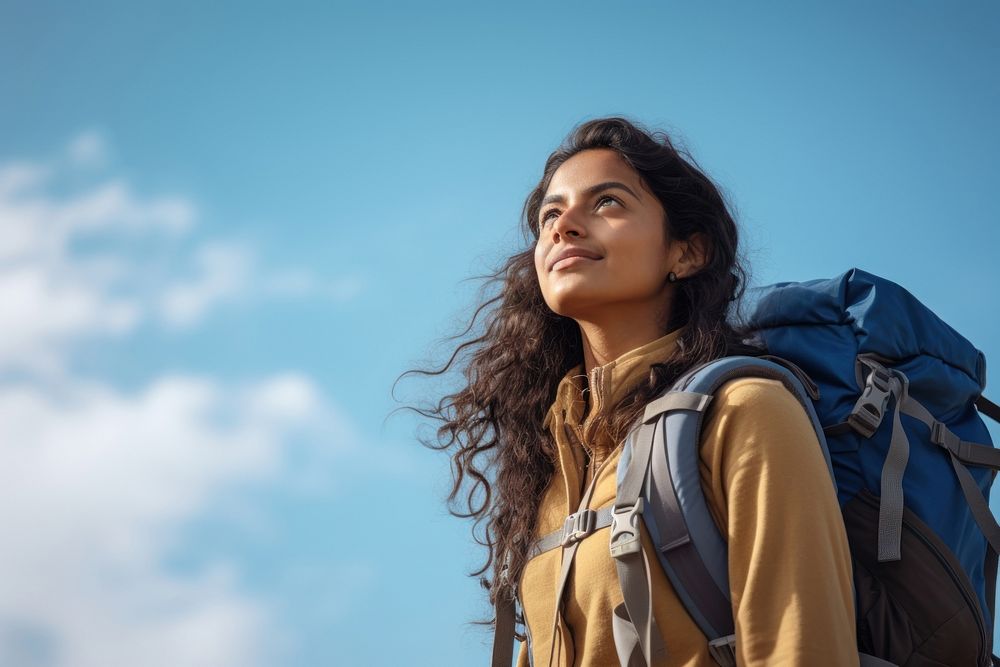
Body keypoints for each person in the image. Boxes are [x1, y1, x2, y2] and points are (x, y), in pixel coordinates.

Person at [410, 116, 857, 666]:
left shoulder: (745, 412)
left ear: (687, 253)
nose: (563, 226)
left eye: (606, 204)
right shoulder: (551, 467)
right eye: (551, 213)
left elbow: (803, 650)